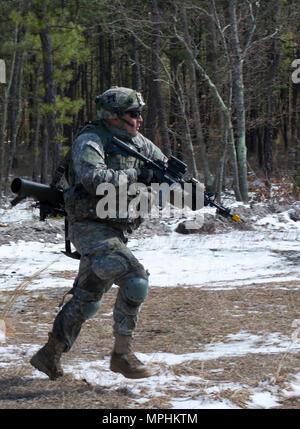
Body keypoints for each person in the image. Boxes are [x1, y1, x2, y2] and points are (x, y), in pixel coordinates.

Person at [30, 86, 167, 380]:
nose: (140, 119)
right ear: (114, 116)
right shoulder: (91, 140)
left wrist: (188, 187)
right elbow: (93, 179)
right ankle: (122, 356)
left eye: (140, 113)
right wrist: (137, 176)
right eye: (134, 113)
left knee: (88, 300)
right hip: (89, 226)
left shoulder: (140, 144)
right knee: (135, 279)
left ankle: (48, 354)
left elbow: (164, 168)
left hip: (117, 230)